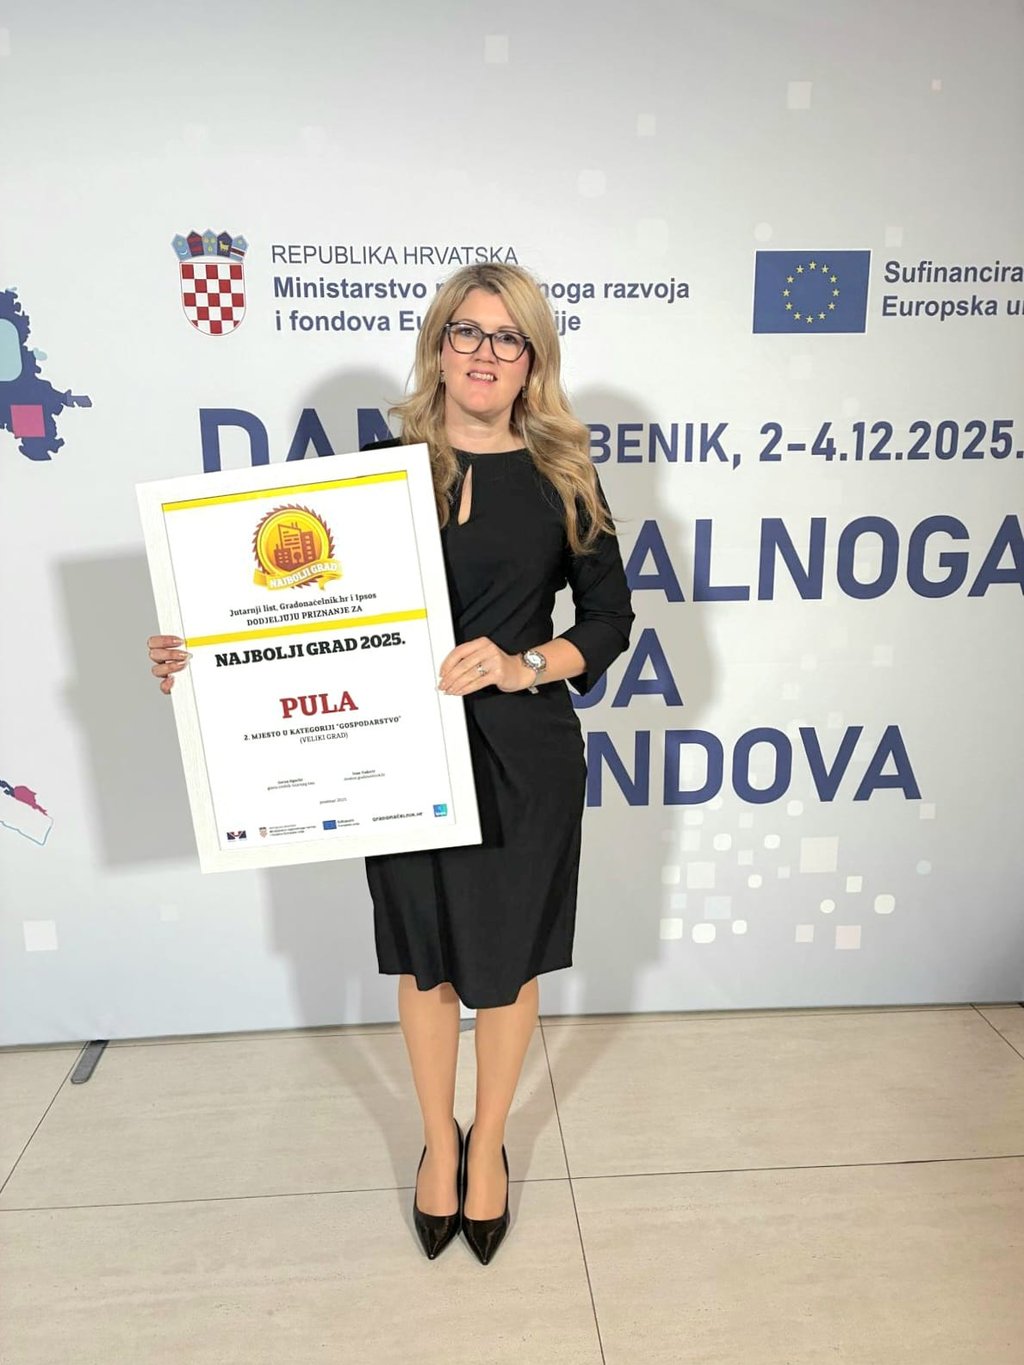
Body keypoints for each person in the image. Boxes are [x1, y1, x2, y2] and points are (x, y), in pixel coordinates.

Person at [147, 262, 634, 1265]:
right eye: (468, 332)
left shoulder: (566, 476)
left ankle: (487, 1145)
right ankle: (436, 1142)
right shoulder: (378, 469)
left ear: (533, 358)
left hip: (522, 756)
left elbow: (608, 620)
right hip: (396, 752)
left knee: (505, 966)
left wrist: (522, 663)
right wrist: (200, 655)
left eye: (508, 337)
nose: (485, 352)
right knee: (425, 956)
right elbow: (291, 609)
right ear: (439, 345)